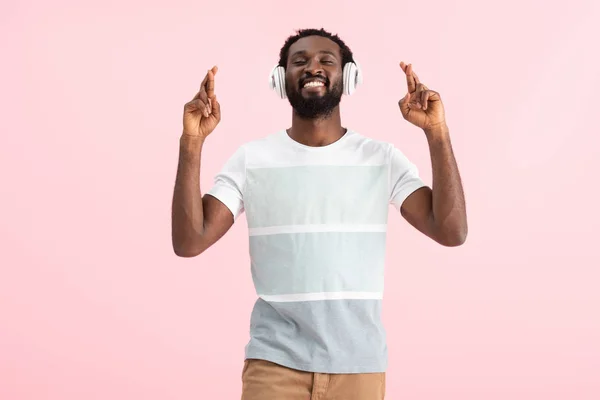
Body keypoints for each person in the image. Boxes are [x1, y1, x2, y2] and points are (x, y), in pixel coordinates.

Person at [171, 28, 467, 400]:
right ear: (280, 80)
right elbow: (188, 241)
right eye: (300, 61)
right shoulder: (251, 160)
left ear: (350, 77)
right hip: (273, 365)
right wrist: (192, 141)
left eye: (327, 60)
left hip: (359, 366)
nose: (313, 67)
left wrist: (436, 131)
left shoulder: (382, 159)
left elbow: (451, 231)